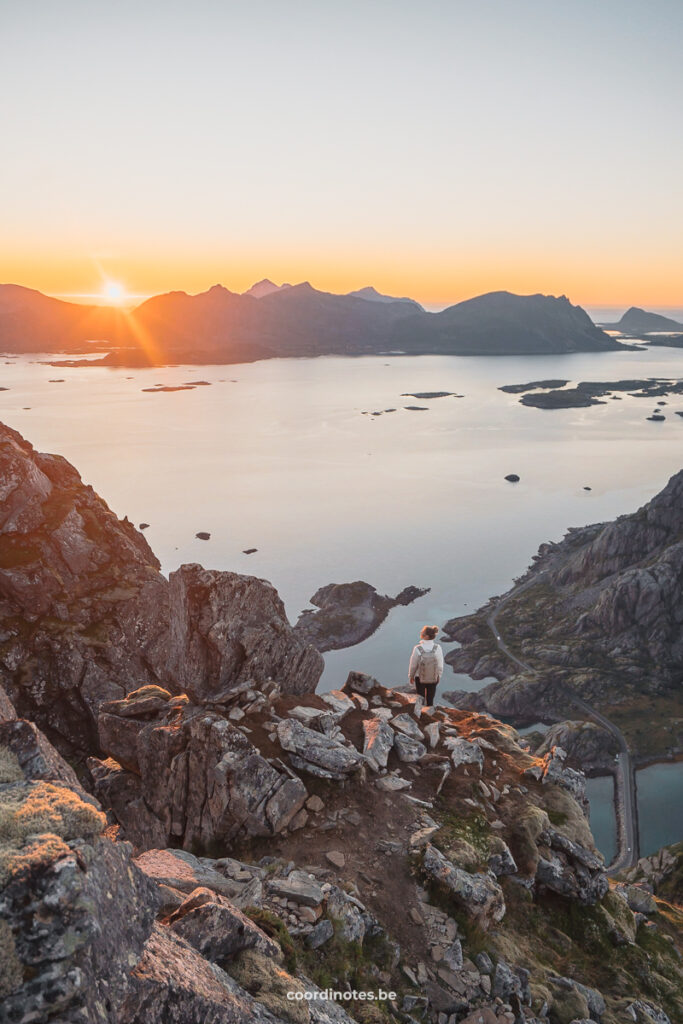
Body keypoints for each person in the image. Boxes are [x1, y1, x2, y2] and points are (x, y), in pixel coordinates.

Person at [408, 625, 444, 707]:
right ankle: (430, 715)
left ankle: (420, 716)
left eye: (422, 632)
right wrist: (439, 676)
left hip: (419, 677)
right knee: (430, 699)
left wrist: (411, 676)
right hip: (433, 676)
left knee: (420, 698)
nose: (421, 632)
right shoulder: (437, 648)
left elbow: (413, 664)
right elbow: (440, 664)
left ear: (426, 636)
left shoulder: (417, 648)